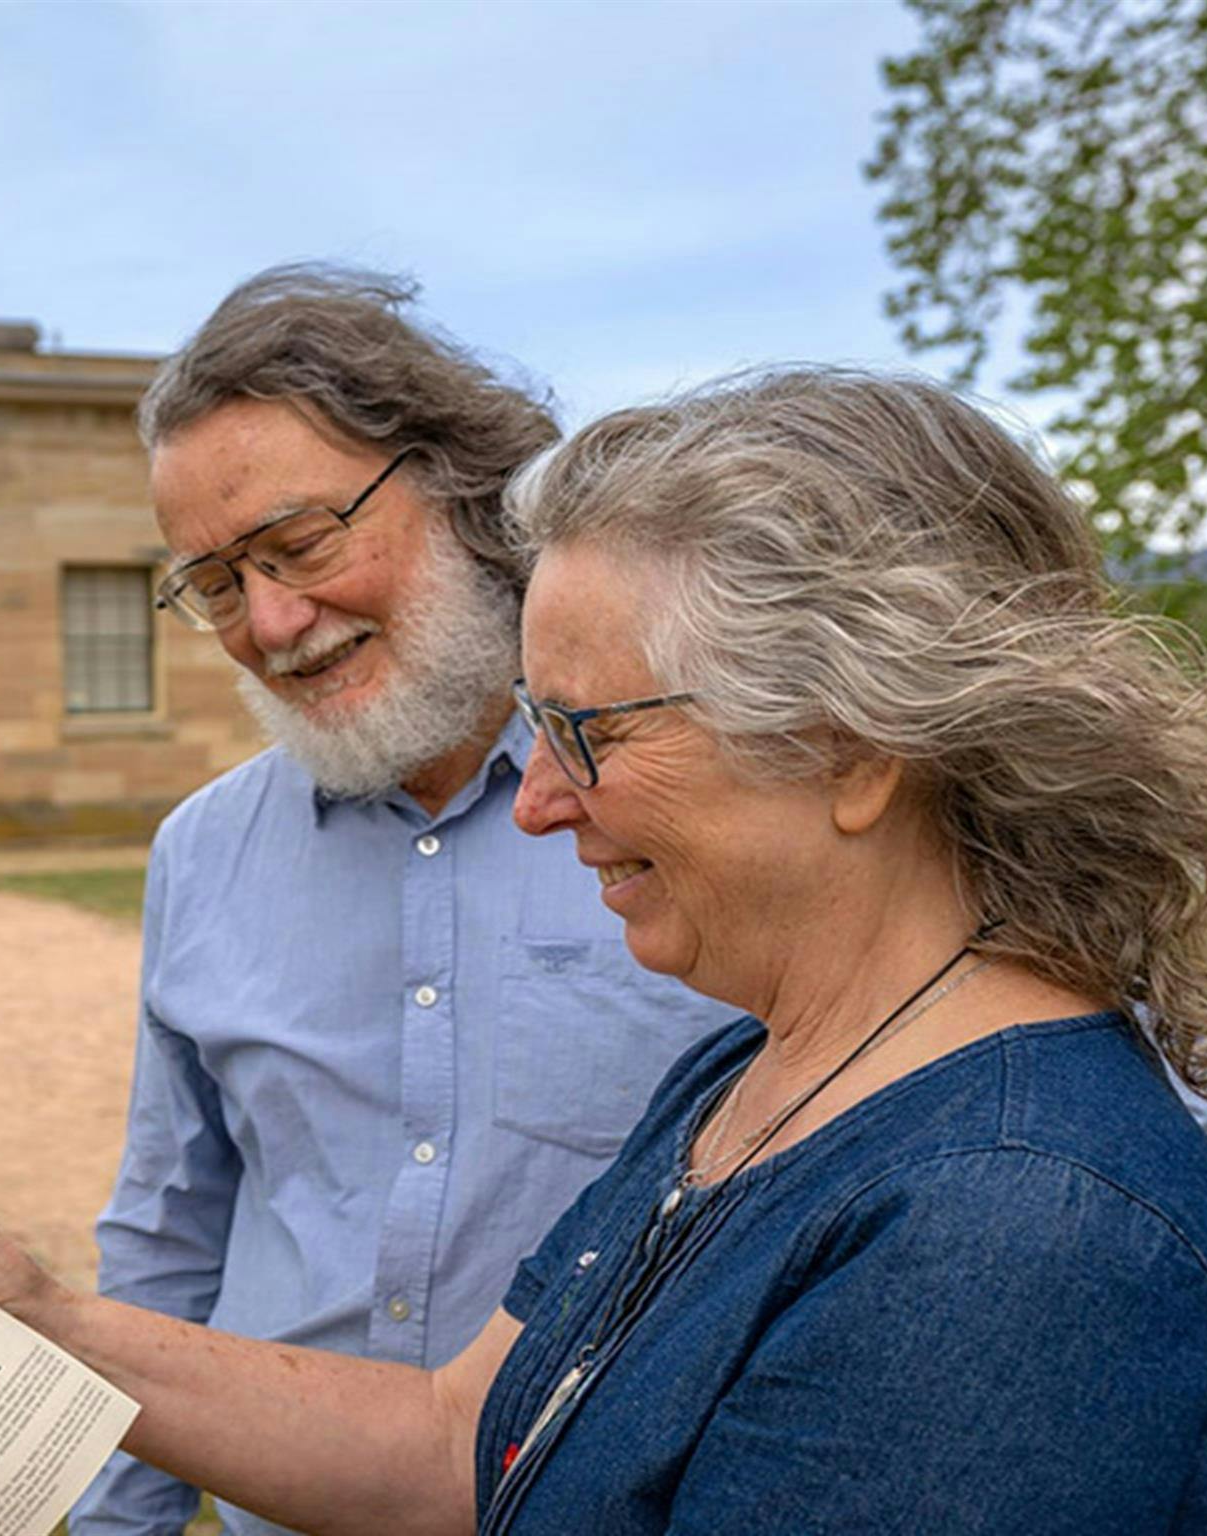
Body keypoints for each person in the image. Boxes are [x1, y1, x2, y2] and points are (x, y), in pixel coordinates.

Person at [0, 366, 1207, 1536]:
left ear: (849, 744)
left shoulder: (1020, 1236)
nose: (534, 804)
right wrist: (49, 1325)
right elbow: (469, 1444)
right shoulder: (769, 1065)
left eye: (588, 735)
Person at [77, 267, 733, 1536]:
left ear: (457, 485)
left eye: (299, 544)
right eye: (213, 584)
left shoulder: (688, 798)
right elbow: (169, 1233)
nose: (270, 621)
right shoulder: (198, 853)